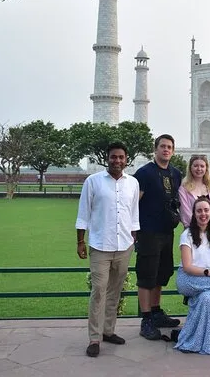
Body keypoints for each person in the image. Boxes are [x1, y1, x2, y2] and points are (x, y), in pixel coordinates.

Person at [75, 142, 139, 358]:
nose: (117, 161)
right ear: (107, 158)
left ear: (126, 160)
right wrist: (80, 241)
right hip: (100, 245)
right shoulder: (93, 181)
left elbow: (134, 214)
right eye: (113, 157)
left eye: (121, 157)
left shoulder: (132, 183)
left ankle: (108, 330)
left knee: (115, 291)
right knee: (99, 291)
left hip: (124, 245)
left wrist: (134, 238)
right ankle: (94, 338)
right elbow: (83, 213)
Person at [133, 134, 182, 341]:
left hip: (166, 231)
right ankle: (146, 319)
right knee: (146, 275)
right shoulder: (144, 173)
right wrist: (134, 230)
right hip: (148, 231)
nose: (166, 150)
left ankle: (155, 311)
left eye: (169, 147)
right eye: (162, 146)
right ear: (155, 149)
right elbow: (133, 203)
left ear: (173, 151)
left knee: (161, 273)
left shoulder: (175, 174)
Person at [174, 197, 210, 354]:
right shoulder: (187, 235)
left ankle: (192, 340)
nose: (203, 214)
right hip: (187, 279)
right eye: (199, 211)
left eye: (206, 210)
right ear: (194, 214)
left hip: (204, 281)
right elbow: (187, 267)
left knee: (207, 299)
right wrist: (209, 272)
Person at [179, 154, 210, 228]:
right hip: (192, 230)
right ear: (190, 168)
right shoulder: (184, 188)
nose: (199, 169)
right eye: (195, 166)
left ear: (206, 168)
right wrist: (200, 230)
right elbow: (185, 213)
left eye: (202, 166)